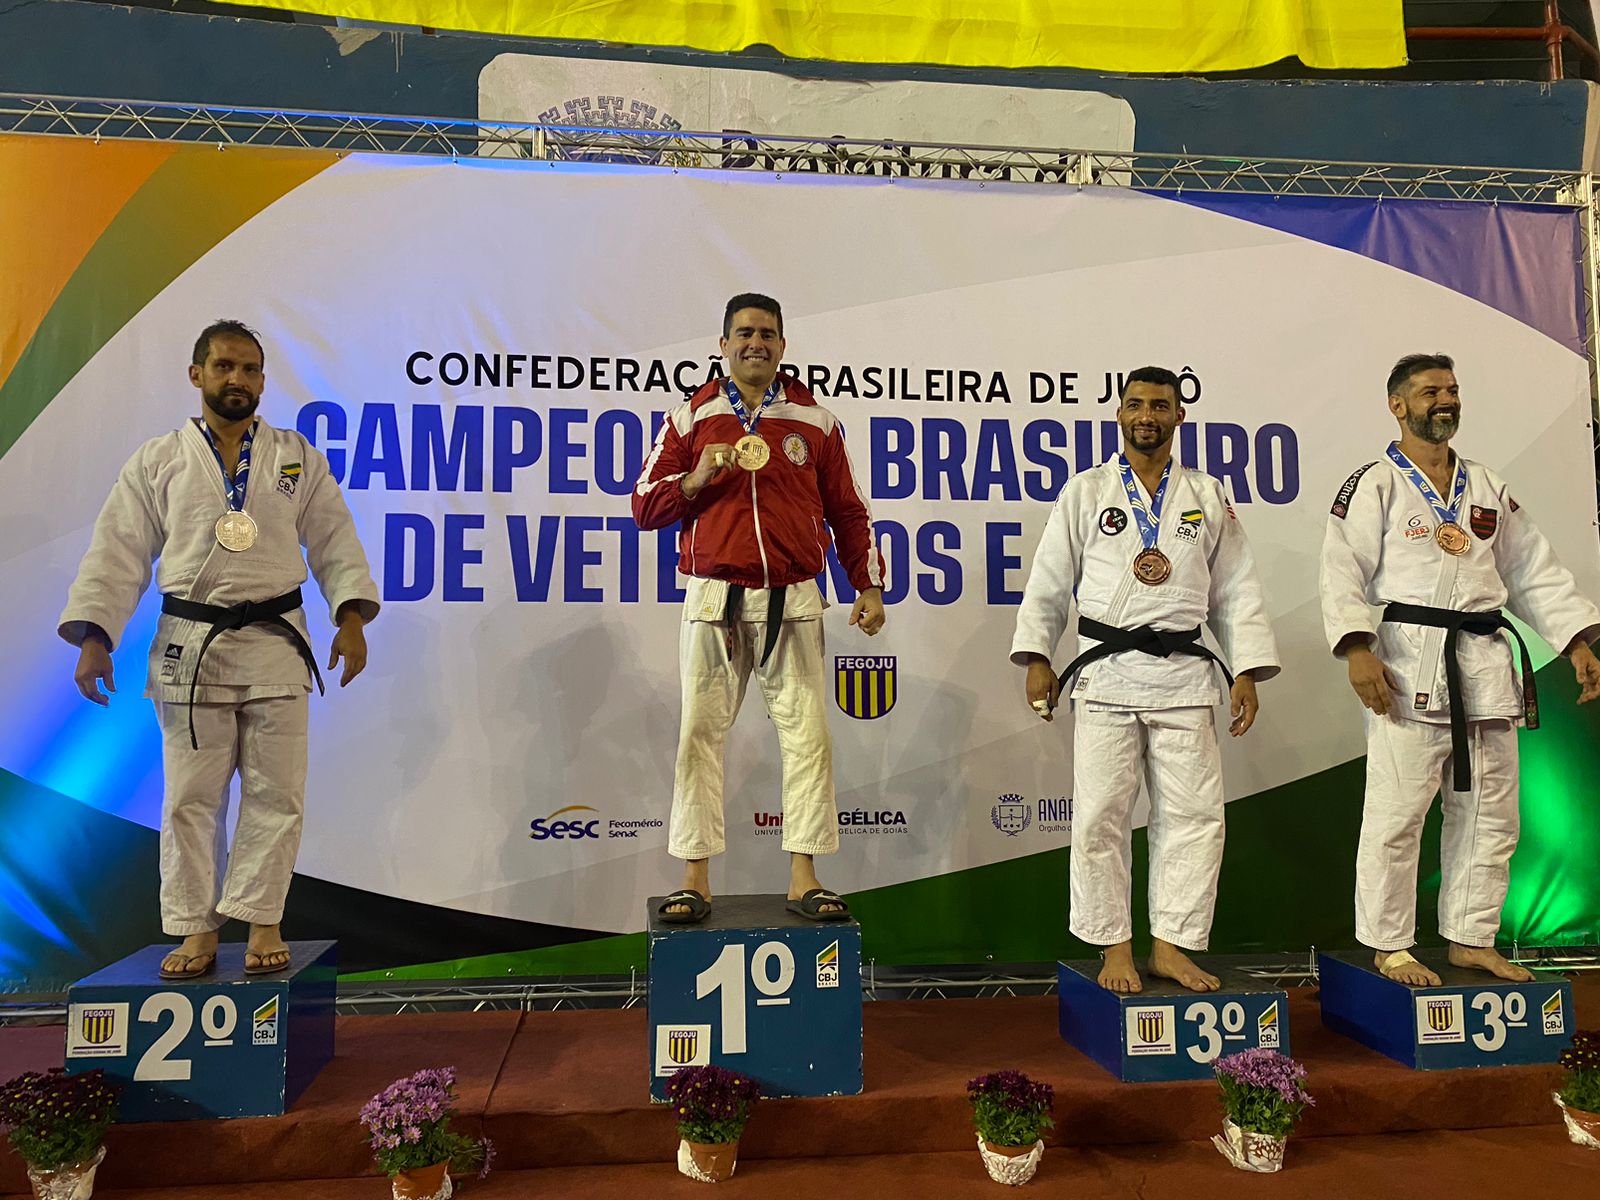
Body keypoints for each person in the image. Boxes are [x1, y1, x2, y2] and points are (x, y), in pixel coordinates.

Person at [59, 320, 379, 980]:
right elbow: (118, 551)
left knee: (277, 793)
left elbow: (333, 538)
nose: (239, 379)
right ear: (197, 375)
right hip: (189, 644)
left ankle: (265, 919)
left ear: (262, 381)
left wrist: (350, 615)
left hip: (276, 641)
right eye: (226, 366)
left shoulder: (295, 457)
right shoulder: (158, 461)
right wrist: (96, 636)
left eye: (251, 369)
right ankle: (196, 928)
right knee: (189, 799)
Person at [1321, 352, 1600, 986]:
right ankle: (1390, 944)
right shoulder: (1374, 484)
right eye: (1428, 392)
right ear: (1398, 404)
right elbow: (1341, 568)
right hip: (1407, 662)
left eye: (1451, 390)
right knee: (1397, 814)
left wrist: (1579, 639)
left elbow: (1532, 571)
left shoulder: (1485, 485)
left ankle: (1472, 937)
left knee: (1493, 813)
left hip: (1484, 663)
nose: (1443, 400)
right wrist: (1357, 647)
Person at [1012, 366, 1279, 994]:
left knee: (1193, 816)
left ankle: (1171, 945)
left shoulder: (1207, 495)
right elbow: (1049, 580)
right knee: (1102, 816)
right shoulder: (1084, 491)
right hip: (1105, 675)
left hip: (1185, 679)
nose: (1147, 416)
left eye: (1160, 405)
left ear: (1179, 416)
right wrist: (1038, 657)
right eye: (1135, 405)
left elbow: (1236, 590)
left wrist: (1245, 668)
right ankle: (1114, 948)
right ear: (1119, 414)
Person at [632, 293, 885, 924]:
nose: (756, 344)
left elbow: (848, 510)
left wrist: (868, 584)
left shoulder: (815, 421)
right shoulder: (690, 419)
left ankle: (805, 876)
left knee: (810, 738)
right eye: (744, 333)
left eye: (768, 334)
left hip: (794, 596)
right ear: (722, 345)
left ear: (782, 346)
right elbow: (644, 506)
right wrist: (697, 479)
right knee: (698, 734)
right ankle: (694, 878)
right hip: (714, 595)